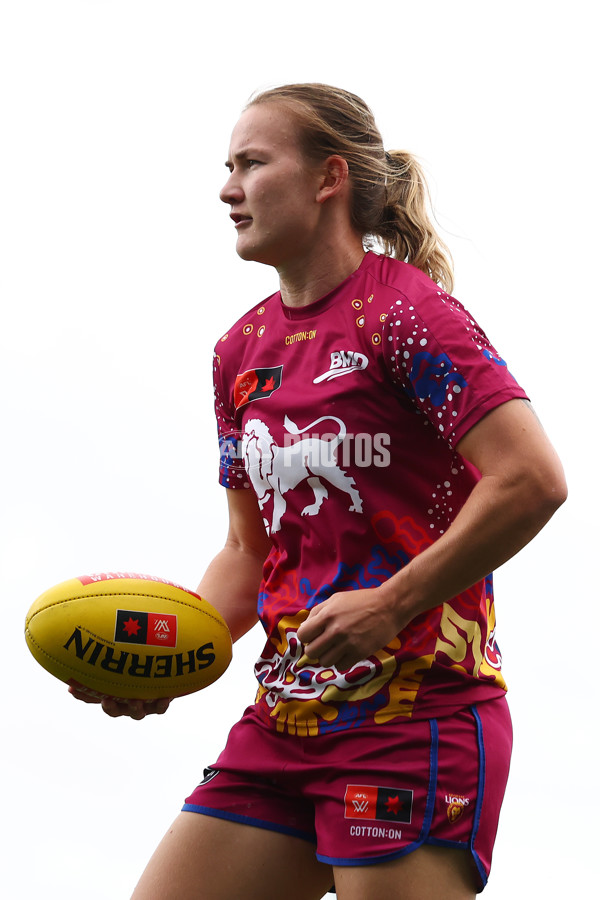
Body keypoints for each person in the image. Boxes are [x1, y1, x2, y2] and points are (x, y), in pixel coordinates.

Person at [71, 83, 567, 899]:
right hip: (285, 720)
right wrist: (169, 661)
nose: (229, 188)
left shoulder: (409, 315)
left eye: (253, 163)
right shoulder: (241, 350)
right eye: (228, 167)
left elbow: (532, 480)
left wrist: (391, 603)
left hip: (415, 720)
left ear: (328, 177)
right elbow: (247, 550)